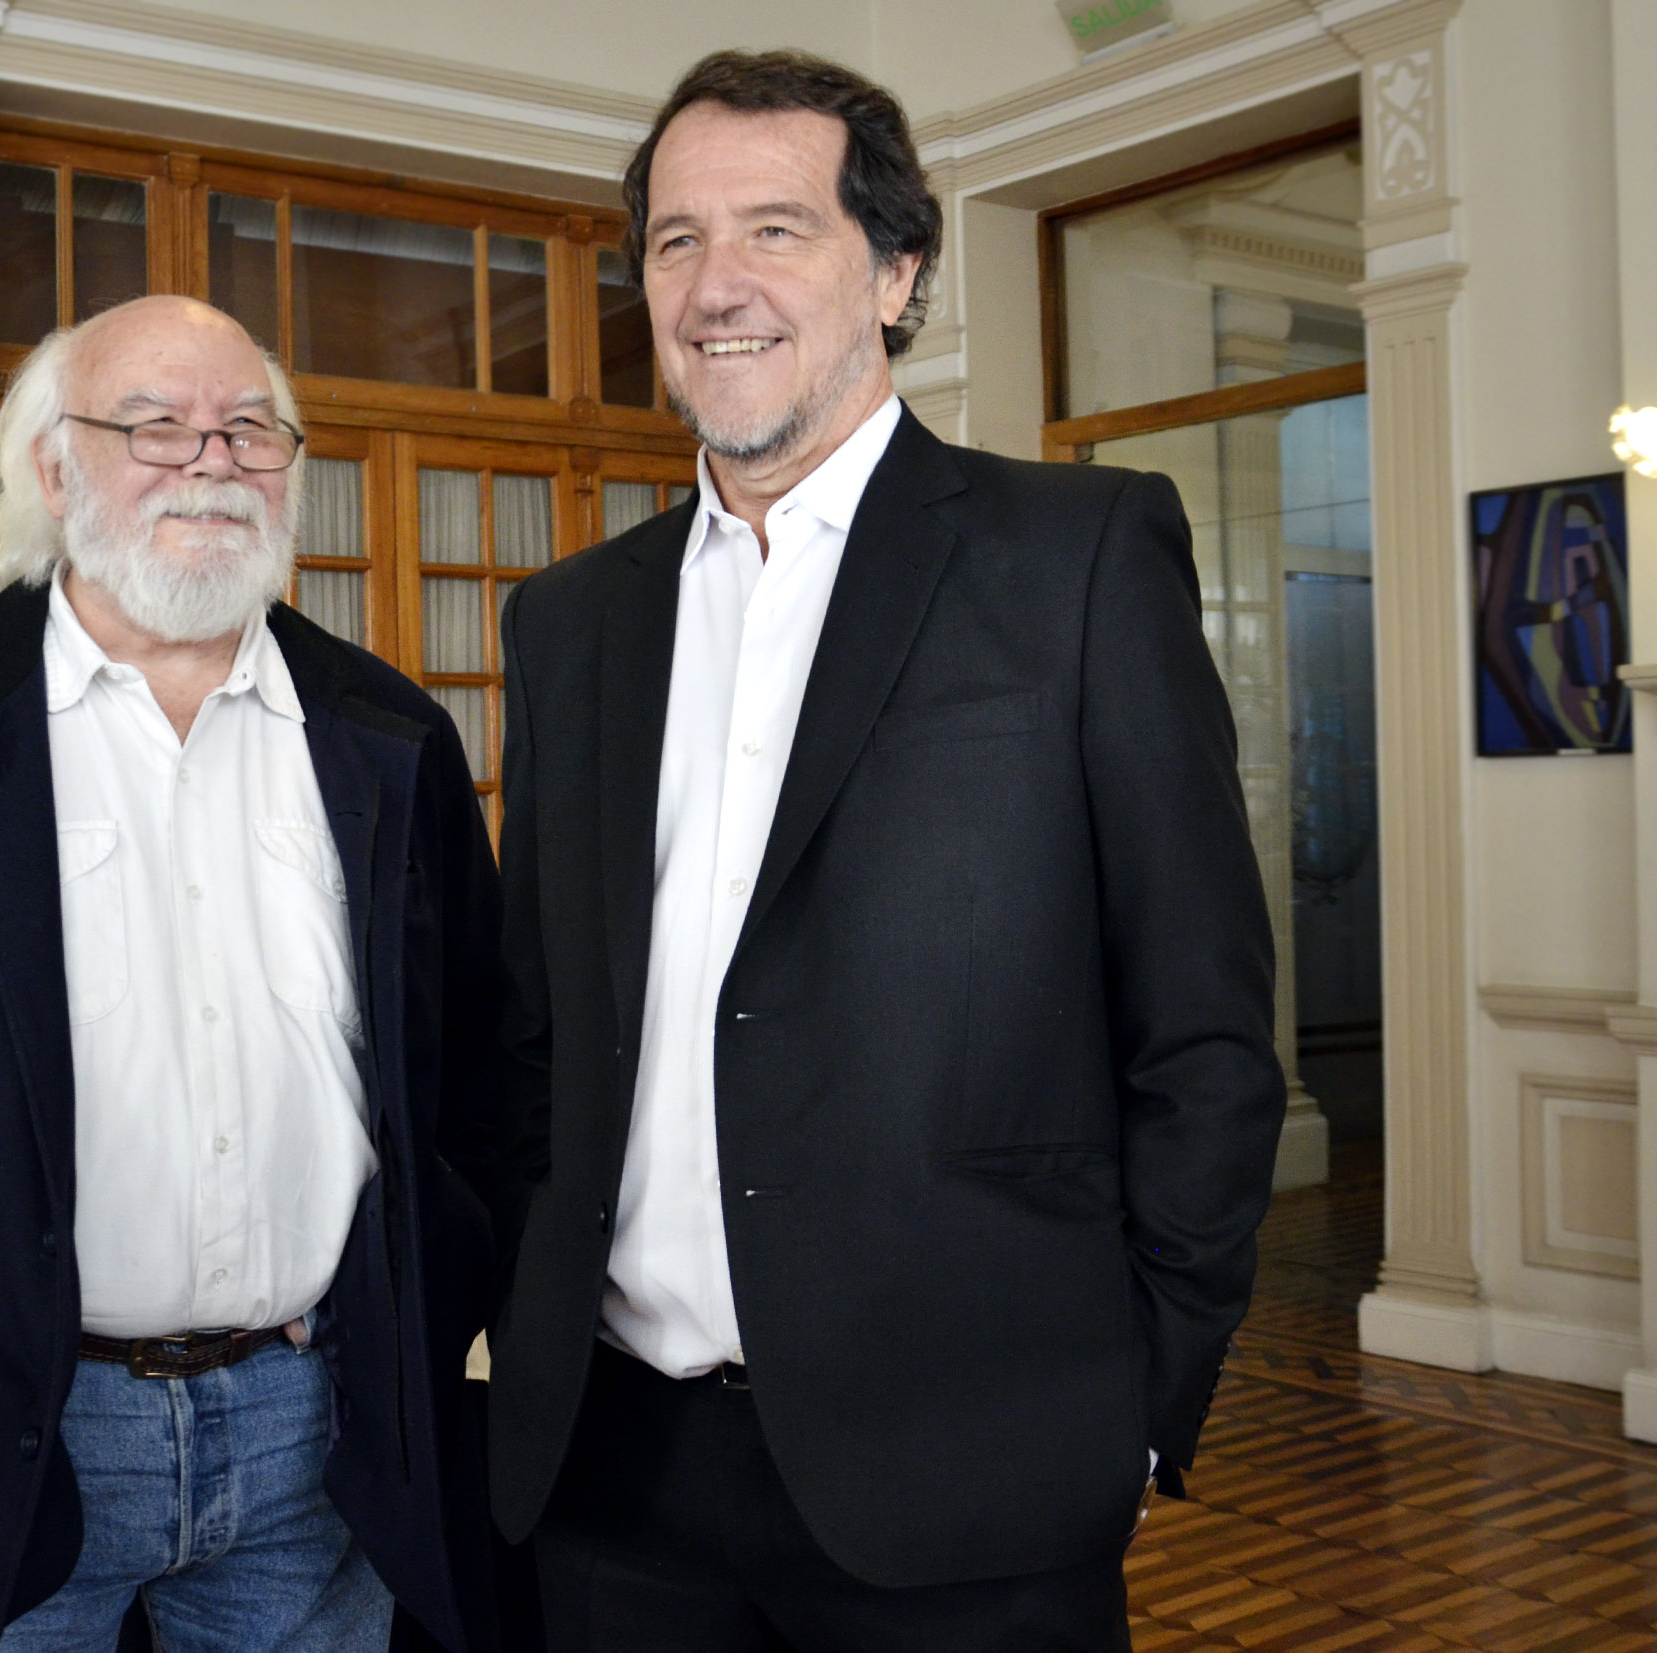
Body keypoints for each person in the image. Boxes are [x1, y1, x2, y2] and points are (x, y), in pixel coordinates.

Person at [478, 50, 1286, 1653]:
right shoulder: (570, 621)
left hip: (974, 1470)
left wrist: (1135, 1402)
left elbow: (1199, 1030)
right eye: (676, 240)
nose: (716, 285)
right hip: (615, 1475)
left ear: (897, 271)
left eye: (775, 229)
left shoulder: (1074, 556)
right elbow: (533, 1032)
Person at [0, 295, 508, 1653]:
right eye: (156, 425)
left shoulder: (390, 731)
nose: (213, 462)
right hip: (3, 1425)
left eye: (249, 428)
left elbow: (480, 1057)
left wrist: (438, 1295)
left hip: (322, 1429)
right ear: (55, 470)